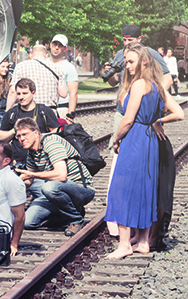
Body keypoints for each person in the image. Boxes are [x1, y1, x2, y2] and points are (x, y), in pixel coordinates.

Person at [105, 43, 184, 258]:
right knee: (144, 189)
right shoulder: (156, 85)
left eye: (131, 62)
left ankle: (124, 245)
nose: (127, 66)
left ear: (144, 62)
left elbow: (128, 119)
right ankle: (142, 242)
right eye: (126, 62)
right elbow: (179, 113)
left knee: (121, 189)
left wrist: (116, 138)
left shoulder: (139, 84)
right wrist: (157, 121)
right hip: (149, 140)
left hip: (135, 138)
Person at [14, 117, 95, 230]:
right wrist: (14, 181)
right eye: (18, 136)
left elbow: (61, 175)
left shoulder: (51, 142)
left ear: (36, 133)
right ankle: (71, 213)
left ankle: (75, 220)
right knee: (27, 222)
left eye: (25, 134)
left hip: (81, 188)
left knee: (49, 187)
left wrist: (32, 175)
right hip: (56, 192)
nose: (22, 139)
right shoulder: (31, 153)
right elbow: (29, 180)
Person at [6, 44, 66, 110]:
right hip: (50, 111)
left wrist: (7, 110)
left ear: (31, 55)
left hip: (28, 110)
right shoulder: (57, 69)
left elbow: (13, 91)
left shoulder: (20, 66)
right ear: (46, 56)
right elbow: (63, 93)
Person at [48, 35, 79, 116]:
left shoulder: (69, 67)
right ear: (50, 45)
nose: (56, 47)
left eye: (60, 46)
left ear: (65, 49)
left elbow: (73, 93)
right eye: (55, 44)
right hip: (44, 107)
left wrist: (70, 115)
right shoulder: (42, 64)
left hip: (61, 108)